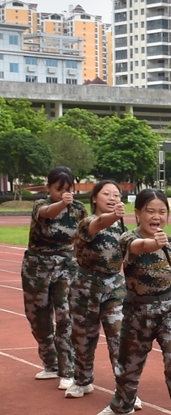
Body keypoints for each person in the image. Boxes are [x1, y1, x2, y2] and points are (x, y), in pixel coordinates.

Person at [94, 189, 171, 415]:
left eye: (162, 212)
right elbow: (138, 247)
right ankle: (122, 405)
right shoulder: (127, 239)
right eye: (150, 211)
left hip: (169, 312)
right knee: (128, 366)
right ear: (138, 214)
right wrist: (154, 243)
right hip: (136, 312)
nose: (156, 217)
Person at [24, 166, 87, 389]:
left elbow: (86, 234)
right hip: (37, 268)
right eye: (58, 189)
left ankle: (67, 369)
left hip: (66, 266)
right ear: (48, 187)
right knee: (38, 319)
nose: (63, 193)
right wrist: (62, 203)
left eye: (68, 189)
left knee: (65, 315)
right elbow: (48, 213)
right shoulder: (41, 205)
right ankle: (50, 363)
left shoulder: (79, 210)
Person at [66, 180, 127, 400]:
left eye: (117, 195)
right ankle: (82, 380)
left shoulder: (122, 226)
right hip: (85, 287)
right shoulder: (87, 222)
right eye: (106, 194)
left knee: (119, 338)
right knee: (84, 337)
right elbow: (99, 223)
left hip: (114, 287)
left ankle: (126, 389)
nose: (112, 199)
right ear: (94, 198)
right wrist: (113, 216)